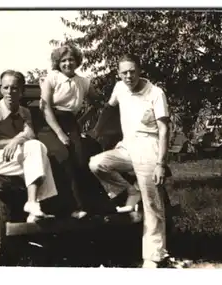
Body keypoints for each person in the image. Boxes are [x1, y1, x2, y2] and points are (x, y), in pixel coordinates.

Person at [88, 54, 174, 268]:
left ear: (140, 71)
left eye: (132, 71)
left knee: (152, 203)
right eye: (124, 72)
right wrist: (94, 132)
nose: (129, 76)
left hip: (149, 146)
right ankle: (129, 191)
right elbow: (109, 110)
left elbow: (164, 130)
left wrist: (161, 163)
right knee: (97, 163)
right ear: (118, 73)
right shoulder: (119, 88)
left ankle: (154, 255)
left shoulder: (155, 93)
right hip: (127, 146)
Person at [0, 70, 57, 223]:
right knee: (37, 154)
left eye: (14, 88)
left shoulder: (24, 112)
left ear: (21, 91)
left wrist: (17, 139)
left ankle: (33, 206)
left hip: (13, 153)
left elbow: (30, 135)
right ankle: (35, 204)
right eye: (5, 88)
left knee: (38, 148)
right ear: (1, 89)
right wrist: (12, 141)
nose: (9, 92)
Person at [38, 44, 102, 219]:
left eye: (71, 59)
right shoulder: (51, 78)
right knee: (63, 156)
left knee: (81, 159)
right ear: (58, 63)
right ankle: (66, 208)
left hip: (71, 123)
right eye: (64, 60)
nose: (67, 63)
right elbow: (46, 109)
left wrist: (80, 122)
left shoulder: (84, 82)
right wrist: (59, 133)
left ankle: (91, 205)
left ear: (77, 61)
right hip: (48, 124)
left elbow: (96, 103)